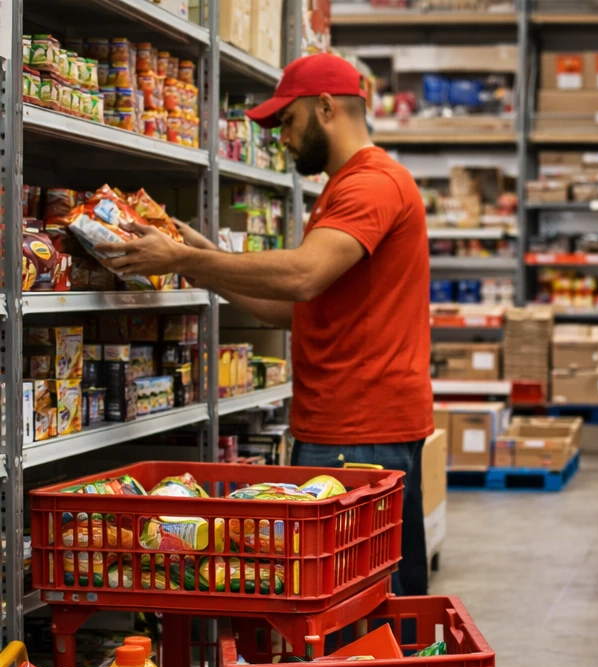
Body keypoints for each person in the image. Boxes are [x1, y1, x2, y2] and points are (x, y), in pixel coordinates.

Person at [97, 53, 432, 596]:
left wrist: (184, 259)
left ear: (326, 108)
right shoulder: (347, 187)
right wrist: (203, 262)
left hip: (359, 429)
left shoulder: (370, 185)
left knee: (349, 603)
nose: (283, 139)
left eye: (288, 122)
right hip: (352, 423)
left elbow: (303, 274)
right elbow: (293, 308)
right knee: (373, 595)